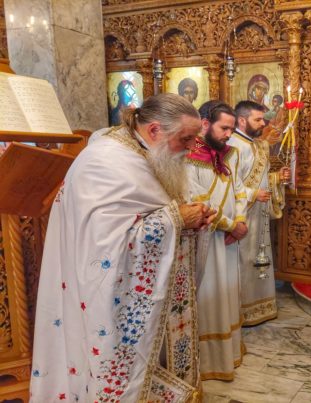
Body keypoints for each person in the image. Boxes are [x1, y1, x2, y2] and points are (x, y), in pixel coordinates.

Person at [30, 93, 215, 401]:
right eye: (185, 139)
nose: (191, 148)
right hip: (104, 298)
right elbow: (101, 249)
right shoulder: (105, 162)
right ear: (154, 130)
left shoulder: (148, 152)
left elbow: (158, 207)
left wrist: (191, 216)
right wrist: (176, 219)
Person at [186, 100, 248, 381]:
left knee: (228, 293)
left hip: (230, 239)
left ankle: (230, 352)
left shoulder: (230, 154)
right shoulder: (188, 156)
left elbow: (239, 189)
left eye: (232, 129)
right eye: (224, 128)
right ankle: (211, 361)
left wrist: (241, 221)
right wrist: (231, 225)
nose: (229, 135)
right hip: (207, 238)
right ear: (205, 124)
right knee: (210, 296)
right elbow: (198, 201)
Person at [230, 101, 290, 325]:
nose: (263, 124)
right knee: (244, 260)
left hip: (259, 214)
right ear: (242, 120)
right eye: (257, 120)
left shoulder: (257, 144)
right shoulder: (232, 146)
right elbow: (227, 185)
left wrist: (276, 179)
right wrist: (252, 194)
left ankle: (259, 306)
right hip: (241, 214)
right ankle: (241, 310)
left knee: (258, 258)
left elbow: (261, 180)